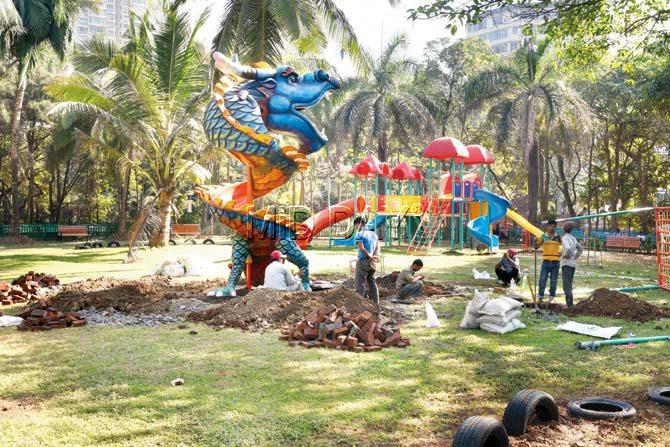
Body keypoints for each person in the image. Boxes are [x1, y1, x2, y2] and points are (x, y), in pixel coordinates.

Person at [354, 216, 380, 305]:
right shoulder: (374, 234)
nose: (356, 227)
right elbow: (377, 247)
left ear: (359, 224)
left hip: (363, 261)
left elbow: (361, 247)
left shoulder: (360, 234)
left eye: (356, 225)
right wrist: (374, 257)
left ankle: (359, 304)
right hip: (372, 262)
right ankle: (376, 303)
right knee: (372, 282)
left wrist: (369, 256)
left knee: (360, 283)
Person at [536, 218, 562, 302]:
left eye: (554, 226)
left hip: (556, 262)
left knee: (553, 280)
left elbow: (565, 246)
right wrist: (535, 241)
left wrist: (562, 252)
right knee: (543, 279)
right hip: (546, 261)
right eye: (550, 226)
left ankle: (551, 296)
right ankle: (540, 295)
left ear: (556, 227)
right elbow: (536, 247)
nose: (552, 228)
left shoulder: (559, 237)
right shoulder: (543, 236)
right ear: (547, 226)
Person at [560, 222, 583, 308]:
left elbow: (568, 248)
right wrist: (575, 257)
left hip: (566, 264)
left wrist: (567, 255)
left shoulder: (565, 238)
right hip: (573, 264)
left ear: (563, 229)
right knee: (569, 284)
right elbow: (580, 249)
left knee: (566, 285)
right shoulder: (573, 238)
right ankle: (570, 304)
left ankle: (569, 305)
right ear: (571, 230)